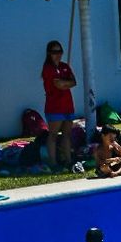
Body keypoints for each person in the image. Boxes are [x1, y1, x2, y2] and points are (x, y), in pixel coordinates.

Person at [42, 40, 77, 168]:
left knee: (67, 134)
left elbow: (74, 82)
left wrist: (65, 83)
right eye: (54, 52)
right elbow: (59, 85)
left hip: (68, 105)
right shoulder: (48, 68)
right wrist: (66, 83)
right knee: (53, 135)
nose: (58, 55)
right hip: (54, 106)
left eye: (60, 51)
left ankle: (68, 160)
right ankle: (53, 162)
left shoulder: (64, 66)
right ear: (49, 53)